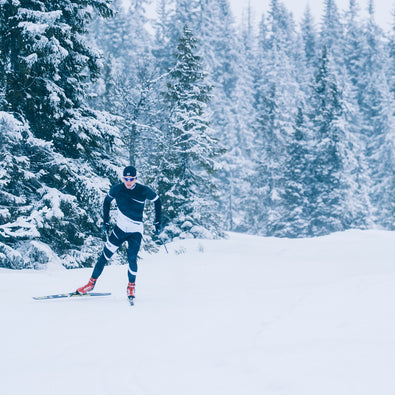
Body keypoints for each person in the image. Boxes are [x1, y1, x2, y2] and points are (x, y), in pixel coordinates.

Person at [76, 165, 162, 303]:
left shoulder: (143, 190)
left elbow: (157, 200)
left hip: (135, 231)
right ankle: (90, 284)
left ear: (135, 179)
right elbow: (106, 201)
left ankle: (131, 286)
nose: (128, 181)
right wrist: (105, 221)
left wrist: (158, 222)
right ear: (123, 178)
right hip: (120, 230)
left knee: (132, 259)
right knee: (104, 256)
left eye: (131, 179)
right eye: (126, 178)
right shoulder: (117, 189)